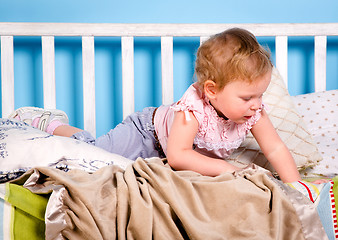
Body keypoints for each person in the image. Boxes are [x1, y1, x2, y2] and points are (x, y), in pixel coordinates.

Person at [9, 28, 307, 183]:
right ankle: (47, 122)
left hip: (171, 147)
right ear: (212, 91)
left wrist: (297, 188)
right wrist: (228, 168)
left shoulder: (254, 112)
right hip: (147, 134)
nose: (257, 106)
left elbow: (276, 149)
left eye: (260, 95)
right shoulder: (192, 112)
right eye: (247, 98)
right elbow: (179, 157)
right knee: (93, 151)